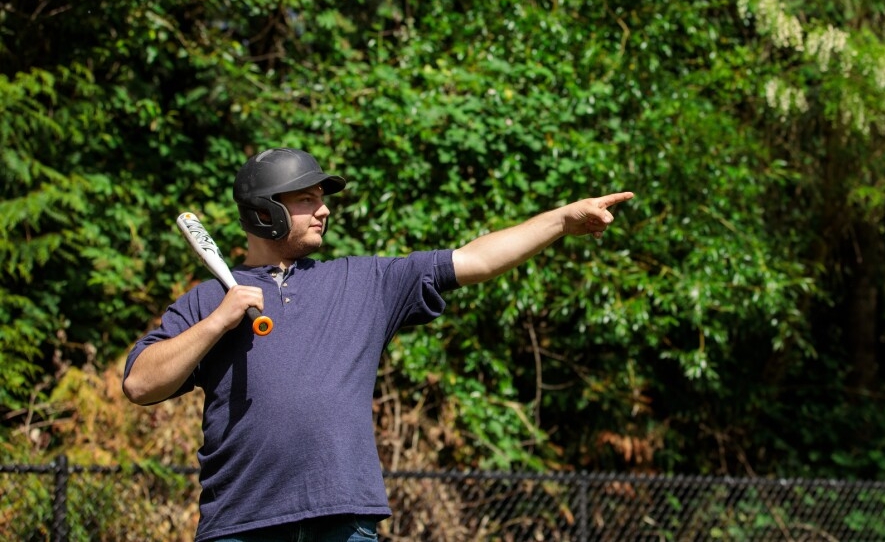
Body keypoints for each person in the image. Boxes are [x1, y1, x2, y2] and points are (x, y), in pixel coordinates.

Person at [122, 147, 634, 542]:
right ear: (264, 212)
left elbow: (474, 259)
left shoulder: (365, 283)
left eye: (323, 199)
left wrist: (560, 221)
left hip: (343, 519)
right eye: (307, 200)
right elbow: (141, 383)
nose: (323, 211)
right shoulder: (209, 301)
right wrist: (217, 323)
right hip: (240, 521)